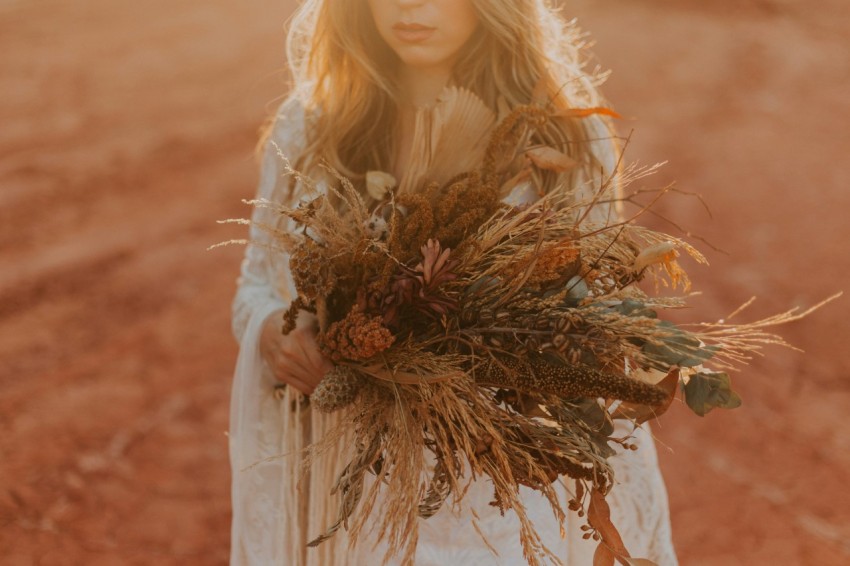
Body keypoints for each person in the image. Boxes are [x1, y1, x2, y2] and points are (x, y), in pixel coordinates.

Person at [229, 0, 678, 564]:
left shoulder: (563, 136)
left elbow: (590, 326)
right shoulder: (314, 124)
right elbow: (255, 287)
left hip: (491, 484)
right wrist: (274, 332)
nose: (407, 7)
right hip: (348, 478)